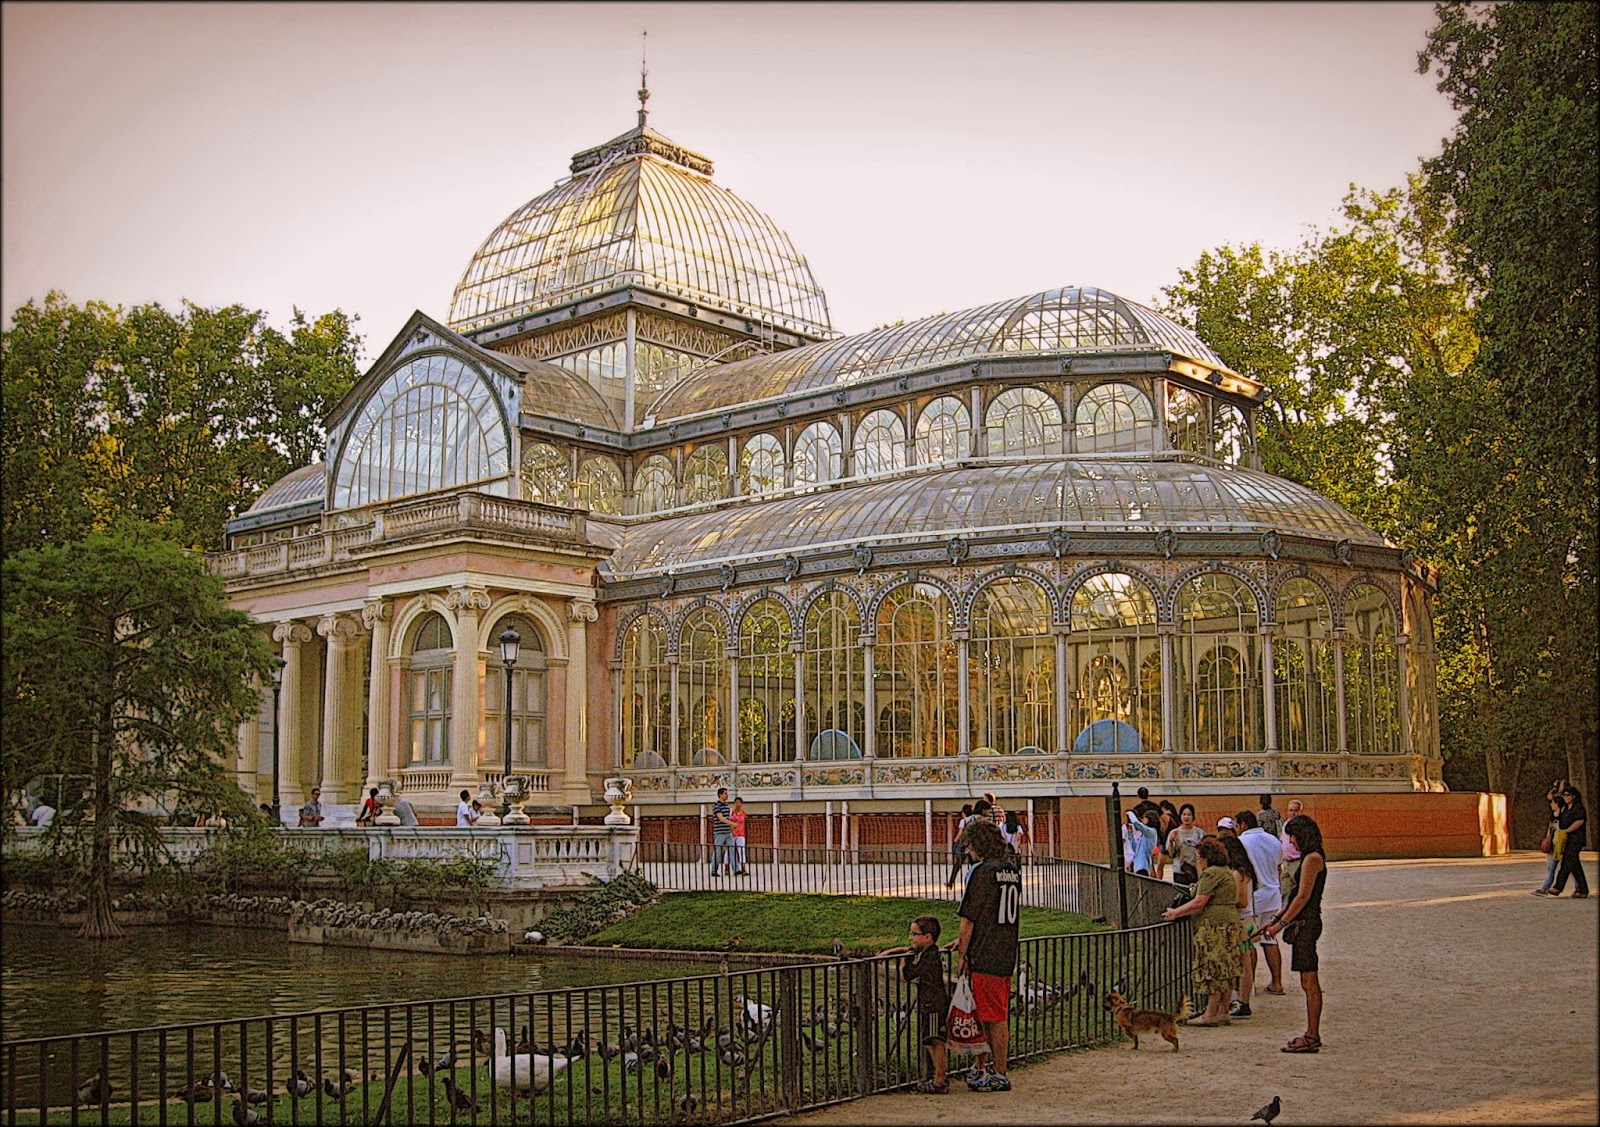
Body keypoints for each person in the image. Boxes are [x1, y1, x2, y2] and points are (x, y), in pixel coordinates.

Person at [954, 818, 1020, 1093]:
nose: (967, 851)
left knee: (990, 1016)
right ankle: (984, 1066)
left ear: (977, 845)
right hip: (1005, 947)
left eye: (969, 846)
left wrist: (961, 952)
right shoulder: (1011, 870)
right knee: (993, 1011)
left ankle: (998, 1072)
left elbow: (969, 918)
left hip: (984, 951)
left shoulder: (981, 872)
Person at [1261, 813, 1327, 1052]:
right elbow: (1293, 899)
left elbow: (1301, 898)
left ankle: (1312, 1035)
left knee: (1310, 982)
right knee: (1306, 981)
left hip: (1307, 923)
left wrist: (1279, 925)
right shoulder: (1309, 858)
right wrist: (1274, 920)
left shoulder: (1312, 859)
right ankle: (1311, 1033)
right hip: (1303, 921)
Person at [1161, 836, 1245, 1026]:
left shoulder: (1211, 874)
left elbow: (1200, 901)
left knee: (1212, 967)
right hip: (1229, 923)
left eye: (1199, 856)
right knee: (1226, 967)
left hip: (1213, 926)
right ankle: (1223, 1010)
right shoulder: (1226, 871)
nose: (1197, 860)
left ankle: (1210, 1012)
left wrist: (1176, 912)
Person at [881, 914, 953, 1094]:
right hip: (928, 1004)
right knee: (929, 1040)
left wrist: (904, 961)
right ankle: (937, 1076)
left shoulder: (929, 958)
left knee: (935, 1041)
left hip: (933, 1005)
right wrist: (892, 952)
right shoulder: (927, 952)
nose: (911, 938)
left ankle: (940, 1080)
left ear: (927, 937)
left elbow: (907, 975)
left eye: (914, 934)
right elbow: (908, 950)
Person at [1234, 809, 1286, 995]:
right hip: (1273, 893)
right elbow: (1279, 865)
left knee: (1249, 941)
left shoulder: (1242, 842)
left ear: (1243, 825)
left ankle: (1250, 984)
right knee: (1269, 939)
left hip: (1254, 896)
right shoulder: (1273, 840)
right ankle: (1277, 982)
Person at [1221, 833, 1259, 1019]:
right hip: (1247, 920)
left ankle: (1243, 1001)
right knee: (1244, 961)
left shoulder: (1237, 873)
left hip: (1242, 921)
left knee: (1243, 962)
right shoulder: (1244, 871)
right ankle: (1242, 999)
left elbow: (1241, 901)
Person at [1547, 786, 1589, 898]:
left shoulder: (1578, 808)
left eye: (1568, 795)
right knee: (1574, 865)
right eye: (1564, 795)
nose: (1566, 797)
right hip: (1566, 840)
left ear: (1573, 796)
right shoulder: (1565, 808)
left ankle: (1558, 887)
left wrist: (1566, 831)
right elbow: (1551, 798)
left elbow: (1579, 822)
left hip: (1576, 839)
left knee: (1566, 862)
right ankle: (1582, 889)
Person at [1533, 792, 1565, 895]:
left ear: (1558, 804)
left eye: (1553, 803)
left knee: (1568, 868)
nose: (1551, 805)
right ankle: (1544, 888)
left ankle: (1580, 887)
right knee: (1550, 868)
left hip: (1560, 845)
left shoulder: (1563, 817)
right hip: (1553, 845)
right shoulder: (1553, 816)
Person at [1166, 803, 1204, 885]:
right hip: (1179, 870)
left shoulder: (1199, 833)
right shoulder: (1174, 832)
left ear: (1193, 817)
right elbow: (1171, 854)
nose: (1186, 817)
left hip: (1195, 870)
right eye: (1184, 814)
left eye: (1189, 815)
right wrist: (1172, 841)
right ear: (1180, 816)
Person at [946, 803, 976, 887]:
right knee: (973, 864)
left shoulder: (964, 821)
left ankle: (951, 882)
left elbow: (960, 833)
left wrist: (955, 841)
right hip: (972, 845)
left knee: (957, 864)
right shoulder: (974, 819)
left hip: (964, 845)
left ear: (964, 812)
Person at [1124, 810, 1158, 876]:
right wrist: (1130, 834)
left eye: (1144, 817)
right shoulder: (1144, 835)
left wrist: (1130, 813)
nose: (1143, 819)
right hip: (1137, 866)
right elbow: (1135, 849)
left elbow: (1137, 823)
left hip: (1143, 866)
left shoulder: (1151, 832)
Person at [710, 787, 735, 876]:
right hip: (719, 832)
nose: (727, 795)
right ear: (720, 794)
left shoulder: (726, 806)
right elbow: (721, 818)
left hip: (727, 832)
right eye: (725, 793)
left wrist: (731, 828)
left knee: (732, 850)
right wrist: (732, 823)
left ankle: (736, 869)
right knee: (718, 852)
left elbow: (727, 818)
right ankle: (714, 870)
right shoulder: (716, 806)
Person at [1153, 801, 1179, 880]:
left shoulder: (1164, 817)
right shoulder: (1176, 817)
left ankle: (1159, 881)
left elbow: (1162, 830)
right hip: (1175, 844)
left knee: (1160, 867)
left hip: (1165, 843)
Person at [729, 796, 749, 875]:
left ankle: (743, 868)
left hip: (741, 833)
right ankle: (727, 867)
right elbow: (729, 821)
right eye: (736, 802)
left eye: (739, 802)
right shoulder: (731, 812)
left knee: (741, 850)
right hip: (732, 834)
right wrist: (732, 830)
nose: (738, 804)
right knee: (730, 850)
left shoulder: (743, 813)